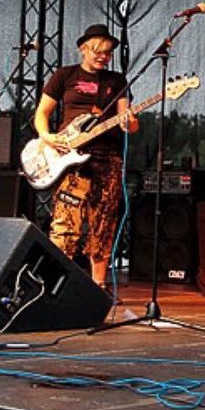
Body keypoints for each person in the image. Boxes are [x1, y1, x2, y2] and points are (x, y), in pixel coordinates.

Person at [33, 23, 138, 290]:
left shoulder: (116, 81)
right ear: (83, 48)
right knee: (65, 222)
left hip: (107, 158)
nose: (103, 57)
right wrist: (47, 137)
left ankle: (98, 285)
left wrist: (130, 122)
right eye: (98, 51)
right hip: (69, 157)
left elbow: (127, 121)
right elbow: (42, 113)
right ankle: (56, 285)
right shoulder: (65, 75)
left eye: (108, 53)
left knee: (104, 222)